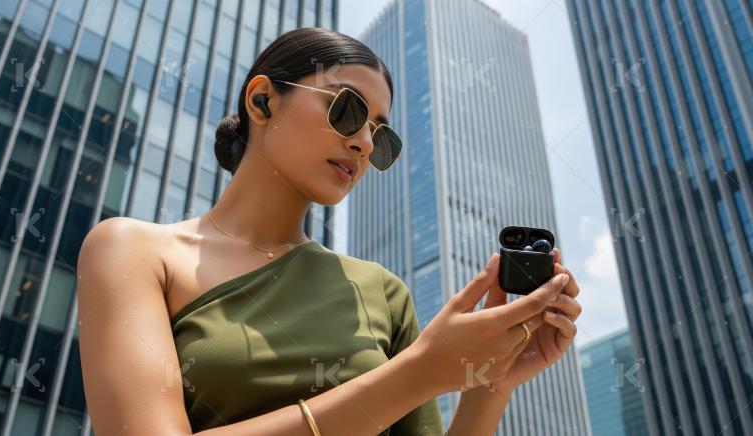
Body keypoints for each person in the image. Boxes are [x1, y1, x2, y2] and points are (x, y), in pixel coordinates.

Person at [77, 27, 582, 436]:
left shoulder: (382, 292)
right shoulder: (132, 250)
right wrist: (421, 371)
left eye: (380, 136)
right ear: (262, 101)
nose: (363, 143)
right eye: (348, 109)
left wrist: (490, 383)